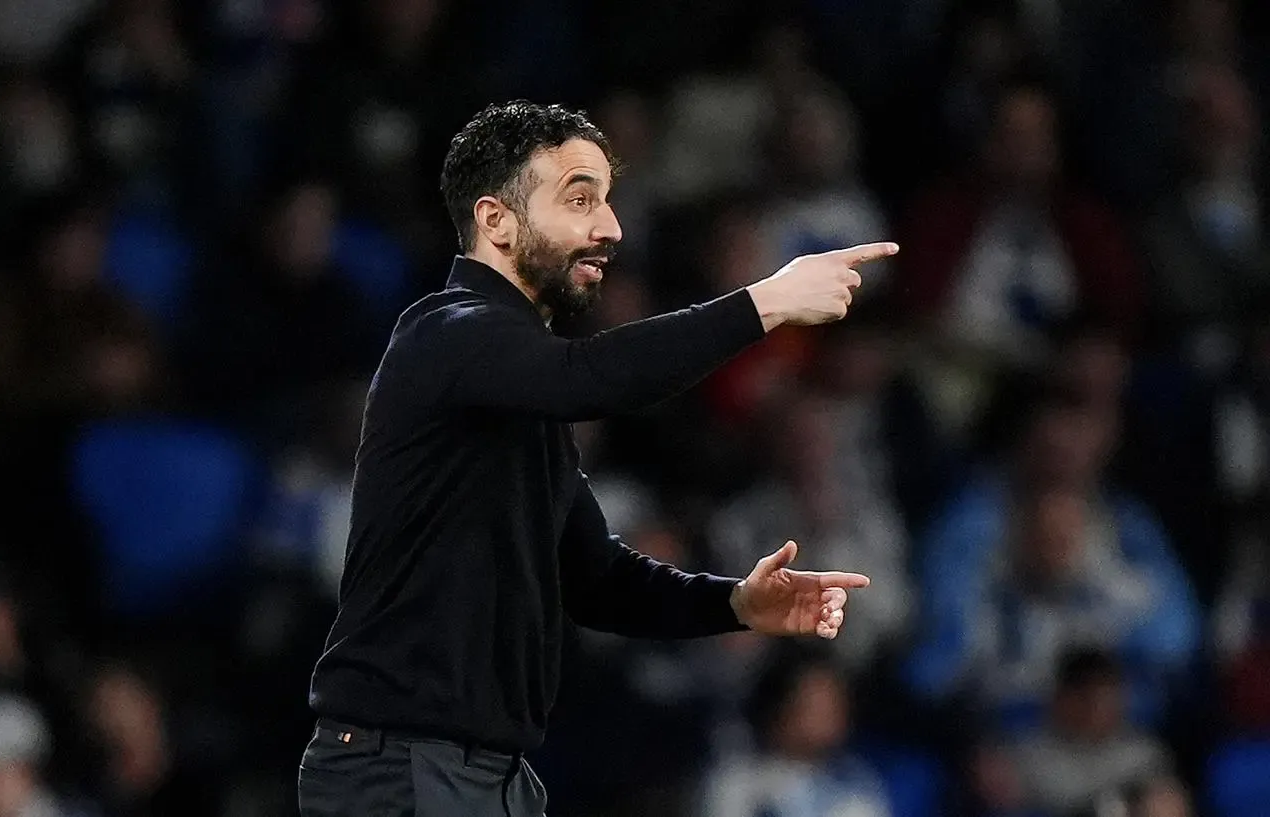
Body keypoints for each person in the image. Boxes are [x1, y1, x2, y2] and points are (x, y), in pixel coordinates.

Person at [297, 99, 899, 817]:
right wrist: (763, 302)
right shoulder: (444, 333)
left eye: (608, 202)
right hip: (402, 765)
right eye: (579, 199)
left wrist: (735, 602)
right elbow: (593, 380)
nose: (609, 227)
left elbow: (599, 578)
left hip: (488, 773)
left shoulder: (519, 394)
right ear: (496, 220)